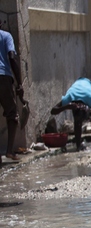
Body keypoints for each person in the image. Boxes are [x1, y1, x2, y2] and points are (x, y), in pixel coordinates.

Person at [50, 78, 91, 150]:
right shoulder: (68, 99)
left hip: (89, 82)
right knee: (77, 121)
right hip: (77, 84)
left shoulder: (89, 98)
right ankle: (78, 146)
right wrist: (66, 107)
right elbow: (53, 111)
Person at [0, 23, 25, 164]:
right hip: (3, 77)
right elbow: (12, 56)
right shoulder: (6, 36)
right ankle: (9, 150)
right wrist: (19, 82)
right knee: (12, 114)